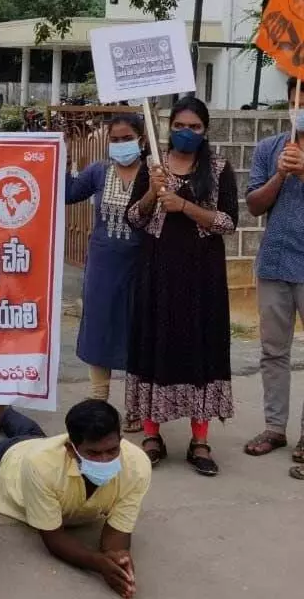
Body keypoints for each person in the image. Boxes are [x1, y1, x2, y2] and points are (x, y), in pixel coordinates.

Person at [0, 115, 148, 435]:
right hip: (103, 263)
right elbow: (68, 193)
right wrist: (63, 156)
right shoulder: (100, 171)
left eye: (127, 138)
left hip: (142, 264)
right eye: (115, 138)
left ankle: (135, 406)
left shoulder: (153, 175)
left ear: (141, 139)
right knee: (99, 327)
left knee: (136, 329)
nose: (120, 144)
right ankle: (99, 400)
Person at [126, 96, 238, 477]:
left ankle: (200, 439)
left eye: (194, 127)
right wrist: (152, 194)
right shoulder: (151, 166)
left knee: (201, 350)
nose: (186, 133)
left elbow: (227, 222)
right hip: (157, 274)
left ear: (205, 131)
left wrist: (185, 207)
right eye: (179, 126)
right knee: (155, 346)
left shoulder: (220, 168)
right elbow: (133, 219)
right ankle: (153, 435)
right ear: (169, 127)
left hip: (202, 278)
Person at [0, 400, 151, 599]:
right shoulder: (40, 465)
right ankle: (2, 417)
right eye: (93, 453)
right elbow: (53, 537)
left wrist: (119, 559)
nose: (105, 461)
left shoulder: (138, 465)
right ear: (70, 449)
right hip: (8, 458)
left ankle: (5, 414)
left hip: (39, 445)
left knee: (31, 433)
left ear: (121, 440)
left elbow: (117, 536)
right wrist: (98, 563)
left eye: (112, 450)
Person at [244, 77, 304, 481]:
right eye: (296, 100)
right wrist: (280, 174)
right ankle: (275, 428)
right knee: (273, 352)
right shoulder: (269, 148)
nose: (300, 107)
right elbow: (253, 205)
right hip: (275, 264)